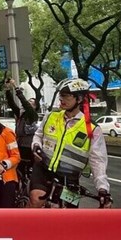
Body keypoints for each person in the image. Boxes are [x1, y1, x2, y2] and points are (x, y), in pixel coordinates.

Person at [29, 78, 112, 208]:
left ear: (79, 99)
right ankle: (25, 226)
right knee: (37, 199)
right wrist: (36, 146)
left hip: (70, 177)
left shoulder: (92, 128)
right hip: (44, 169)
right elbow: (38, 135)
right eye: (61, 95)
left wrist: (103, 189)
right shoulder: (51, 116)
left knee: (70, 214)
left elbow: (98, 160)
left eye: (66, 96)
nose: (61, 99)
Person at [4, 79, 39, 179]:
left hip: (28, 147)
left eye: (31, 103)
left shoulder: (32, 115)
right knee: (18, 169)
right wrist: (7, 90)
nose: (28, 103)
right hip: (19, 145)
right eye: (29, 102)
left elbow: (24, 103)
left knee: (28, 169)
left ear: (35, 107)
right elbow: (11, 103)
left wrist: (15, 87)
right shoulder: (21, 114)